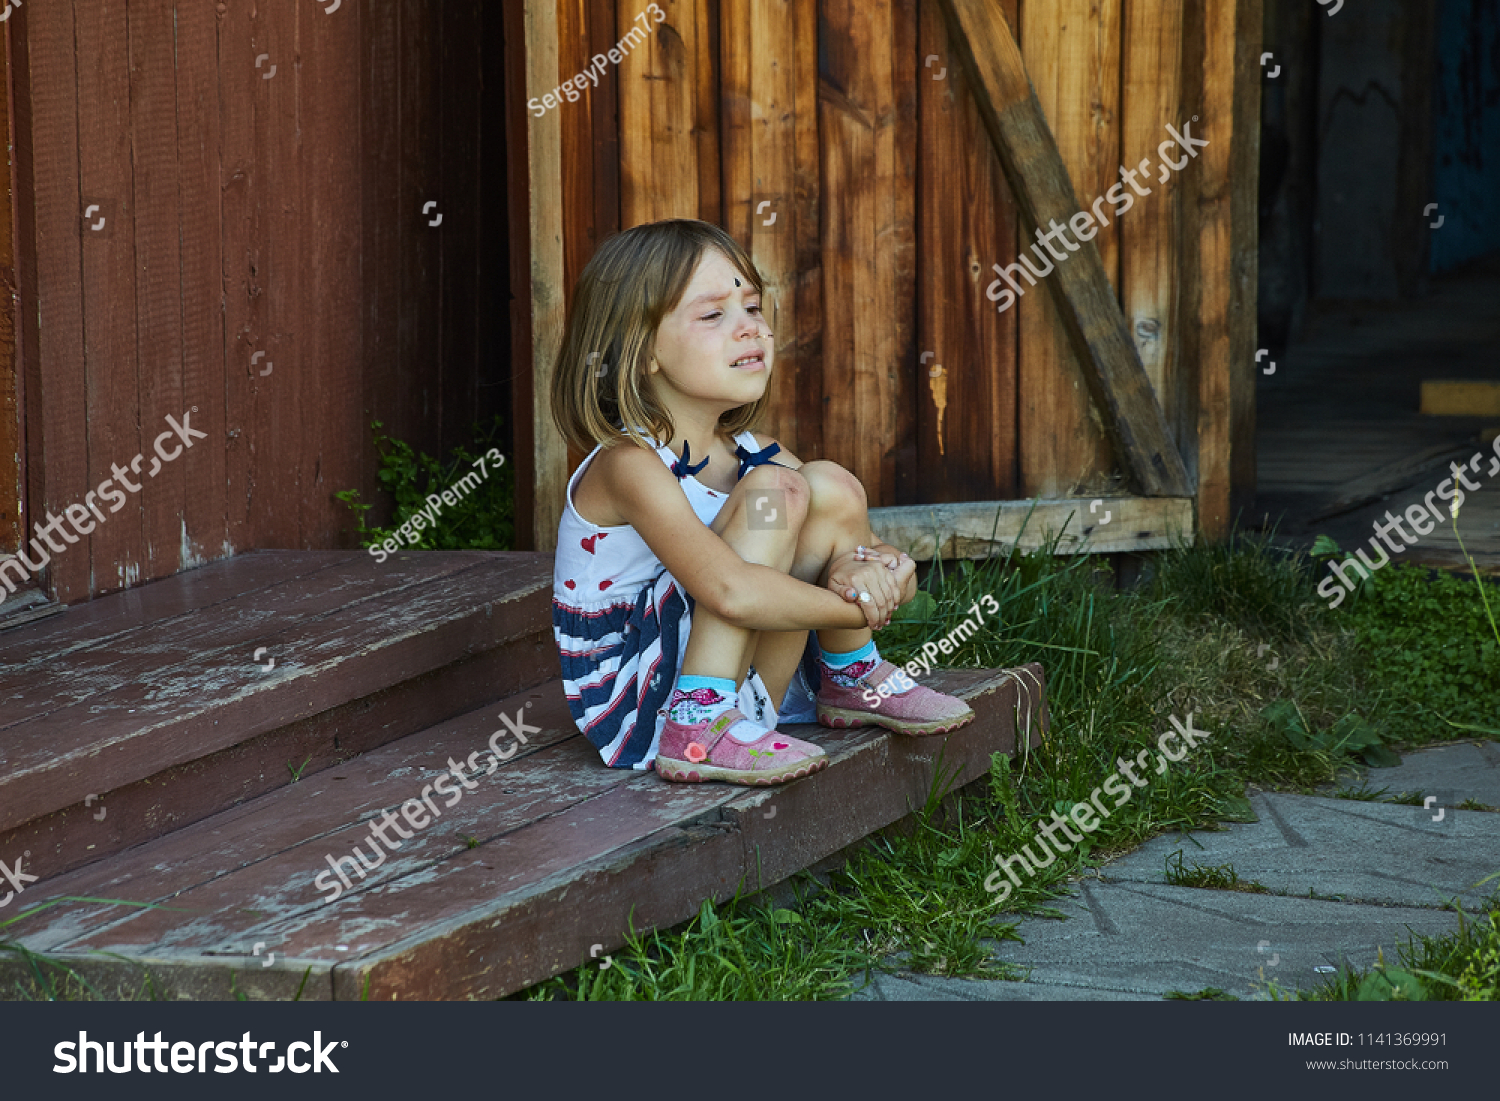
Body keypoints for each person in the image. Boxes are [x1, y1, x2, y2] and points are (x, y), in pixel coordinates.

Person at [550, 218, 975, 786]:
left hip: (747, 684)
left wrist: (882, 570)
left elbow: (860, 548)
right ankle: (698, 721)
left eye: (751, 307)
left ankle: (850, 673)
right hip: (640, 704)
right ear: (641, 348)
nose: (748, 328)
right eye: (713, 314)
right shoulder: (628, 465)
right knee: (779, 489)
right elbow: (730, 590)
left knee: (828, 485)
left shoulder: (757, 454)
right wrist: (856, 606)